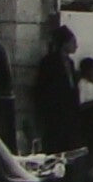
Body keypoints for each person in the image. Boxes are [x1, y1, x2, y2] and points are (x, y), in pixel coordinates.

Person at [32, 23, 80, 155]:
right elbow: (41, 88)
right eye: (72, 42)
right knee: (54, 146)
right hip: (54, 112)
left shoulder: (70, 63)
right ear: (64, 43)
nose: (76, 46)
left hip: (68, 112)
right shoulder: (49, 62)